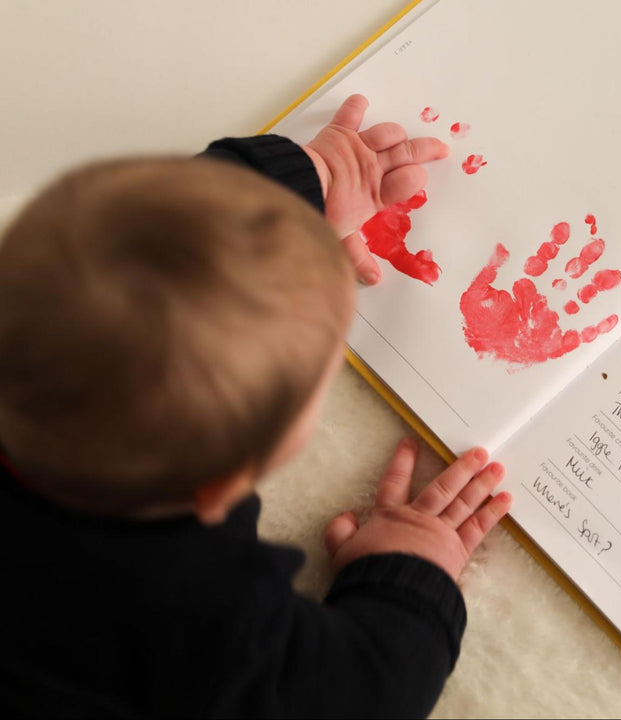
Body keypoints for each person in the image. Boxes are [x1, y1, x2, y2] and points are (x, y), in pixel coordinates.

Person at [0, 94, 512, 717]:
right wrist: (408, 571)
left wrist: (309, 181)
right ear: (223, 487)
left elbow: (154, 233)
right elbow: (368, 692)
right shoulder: (196, 619)